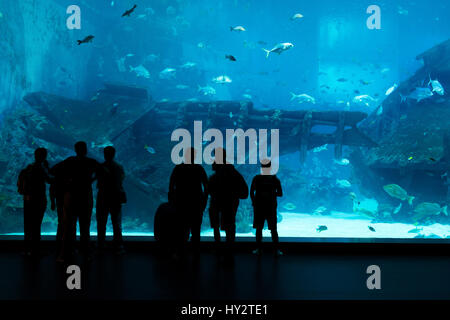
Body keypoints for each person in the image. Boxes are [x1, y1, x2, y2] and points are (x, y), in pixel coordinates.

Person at [57, 141, 102, 262]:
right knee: (85, 227)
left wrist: (66, 181)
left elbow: (54, 170)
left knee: (68, 227)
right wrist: (92, 179)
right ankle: (86, 253)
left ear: (75, 150)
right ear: (86, 150)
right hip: (85, 196)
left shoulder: (70, 161)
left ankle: (65, 253)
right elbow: (103, 171)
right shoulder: (91, 162)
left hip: (71, 196)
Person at [169, 147, 208, 252]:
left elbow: (171, 186)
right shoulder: (199, 169)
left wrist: (171, 202)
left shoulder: (178, 168)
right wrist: (204, 201)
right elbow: (206, 187)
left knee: (181, 229)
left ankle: (181, 252)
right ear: (194, 156)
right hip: (196, 204)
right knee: (196, 231)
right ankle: (195, 252)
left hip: (181, 203)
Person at [208, 148, 248, 248]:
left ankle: (220, 246)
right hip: (230, 201)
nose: (213, 161)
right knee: (229, 224)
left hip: (221, 201)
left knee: (220, 225)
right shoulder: (233, 171)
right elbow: (244, 191)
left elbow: (210, 188)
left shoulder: (222, 172)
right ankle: (229, 246)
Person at [18, 148, 52, 256]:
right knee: (36, 225)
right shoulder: (41, 169)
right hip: (38, 200)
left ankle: (27, 249)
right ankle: (35, 250)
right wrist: (48, 168)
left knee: (28, 225)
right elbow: (50, 180)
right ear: (44, 157)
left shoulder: (28, 168)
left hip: (27, 199)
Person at [96, 146, 126, 254]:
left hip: (103, 197)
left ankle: (101, 244)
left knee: (101, 222)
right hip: (115, 197)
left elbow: (98, 181)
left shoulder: (101, 166)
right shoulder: (119, 167)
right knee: (116, 222)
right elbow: (121, 180)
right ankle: (118, 245)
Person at [250, 159, 283, 256]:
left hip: (259, 207)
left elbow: (251, 192)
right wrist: (271, 193)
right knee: (273, 229)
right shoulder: (275, 179)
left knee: (259, 229)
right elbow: (280, 193)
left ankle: (259, 249)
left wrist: (254, 201)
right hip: (270, 207)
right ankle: (276, 250)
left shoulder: (256, 178)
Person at [49, 160, 67, 253]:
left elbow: (51, 191)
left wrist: (53, 202)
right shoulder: (67, 179)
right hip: (65, 202)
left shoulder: (55, 179)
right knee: (65, 223)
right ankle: (63, 245)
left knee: (61, 223)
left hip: (60, 202)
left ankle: (59, 244)